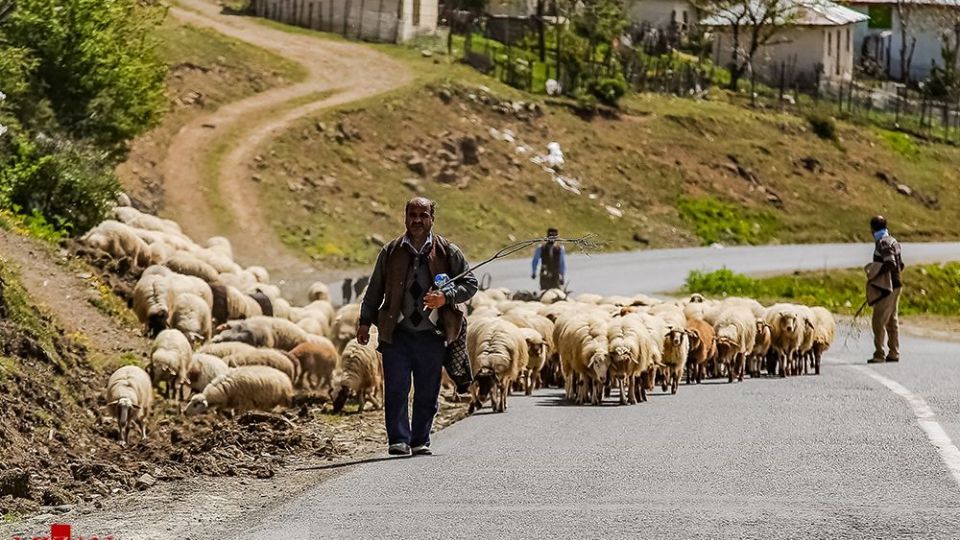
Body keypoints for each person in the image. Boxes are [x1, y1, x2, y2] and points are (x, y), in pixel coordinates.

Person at [357, 197, 478, 456]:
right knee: (397, 388)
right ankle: (399, 439)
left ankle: (420, 438)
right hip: (397, 332)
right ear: (405, 217)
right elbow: (375, 289)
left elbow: (470, 284)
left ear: (432, 219)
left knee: (427, 390)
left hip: (432, 334)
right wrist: (365, 322)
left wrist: (446, 297)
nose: (417, 220)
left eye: (423, 215)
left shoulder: (448, 251)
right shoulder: (391, 251)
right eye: (413, 215)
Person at [867, 215, 904, 363]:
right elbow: (900, 265)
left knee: (878, 320)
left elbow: (891, 263)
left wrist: (876, 275)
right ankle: (894, 352)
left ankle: (879, 353)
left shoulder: (882, 243)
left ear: (872, 229)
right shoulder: (893, 241)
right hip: (897, 284)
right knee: (891, 319)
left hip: (887, 287)